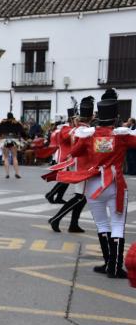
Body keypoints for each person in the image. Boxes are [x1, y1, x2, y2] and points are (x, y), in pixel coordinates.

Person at [58, 89, 136, 278]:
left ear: (98, 116)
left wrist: (83, 134)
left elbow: (74, 152)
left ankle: (108, 263)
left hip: (93, 185)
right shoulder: (121, 135)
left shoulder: (88, 135)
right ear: (116, 116)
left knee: (102, 224)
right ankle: (115, 268)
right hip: (114, 184)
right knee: (117, 224)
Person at [47, 104, 91, 233]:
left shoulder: (77, 129)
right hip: (83, 164)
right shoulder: (85, 130)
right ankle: (56, 219)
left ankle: (73, 224)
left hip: (78, 163)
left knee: (82, 197)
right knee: (80, 197)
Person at [0, 112, 24, 179]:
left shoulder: (3, 123)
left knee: (6, 157)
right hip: (14, 140)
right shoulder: (16, 123)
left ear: (7, 116)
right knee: (14, 157)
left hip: (5, 140)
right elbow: (22, 131)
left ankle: (7, 174)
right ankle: (17, 173)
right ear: (13, 116)